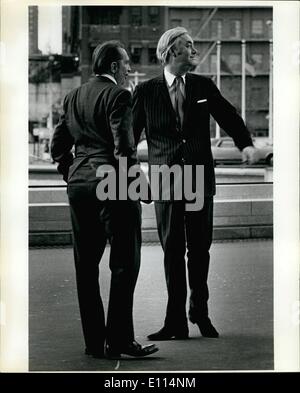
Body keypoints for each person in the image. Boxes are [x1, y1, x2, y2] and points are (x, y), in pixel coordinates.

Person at [132, 27, 260, 341]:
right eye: (188, 45)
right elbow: (128, 139)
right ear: (171, 51)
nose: (194, 50)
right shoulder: (146, 91)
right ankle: (174, 321)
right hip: (166, 181)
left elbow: (228, 116)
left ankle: (199, 313)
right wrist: (133, 175)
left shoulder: (203, 85)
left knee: (200, 249)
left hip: (199, 178)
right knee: (172, 251)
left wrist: (245, 144)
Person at [51, 41, 158, 359]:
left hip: (80, 187)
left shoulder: (73, 97)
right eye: (126, 63)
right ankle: (121, 340)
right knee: (125, 264)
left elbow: (58, 146)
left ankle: (95, 343)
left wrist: (73, 174)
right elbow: (124, 147)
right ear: (113, 66)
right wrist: (142, 185)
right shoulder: (119, 95)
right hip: (114, 189)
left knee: (86, 267)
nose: (130, 68)